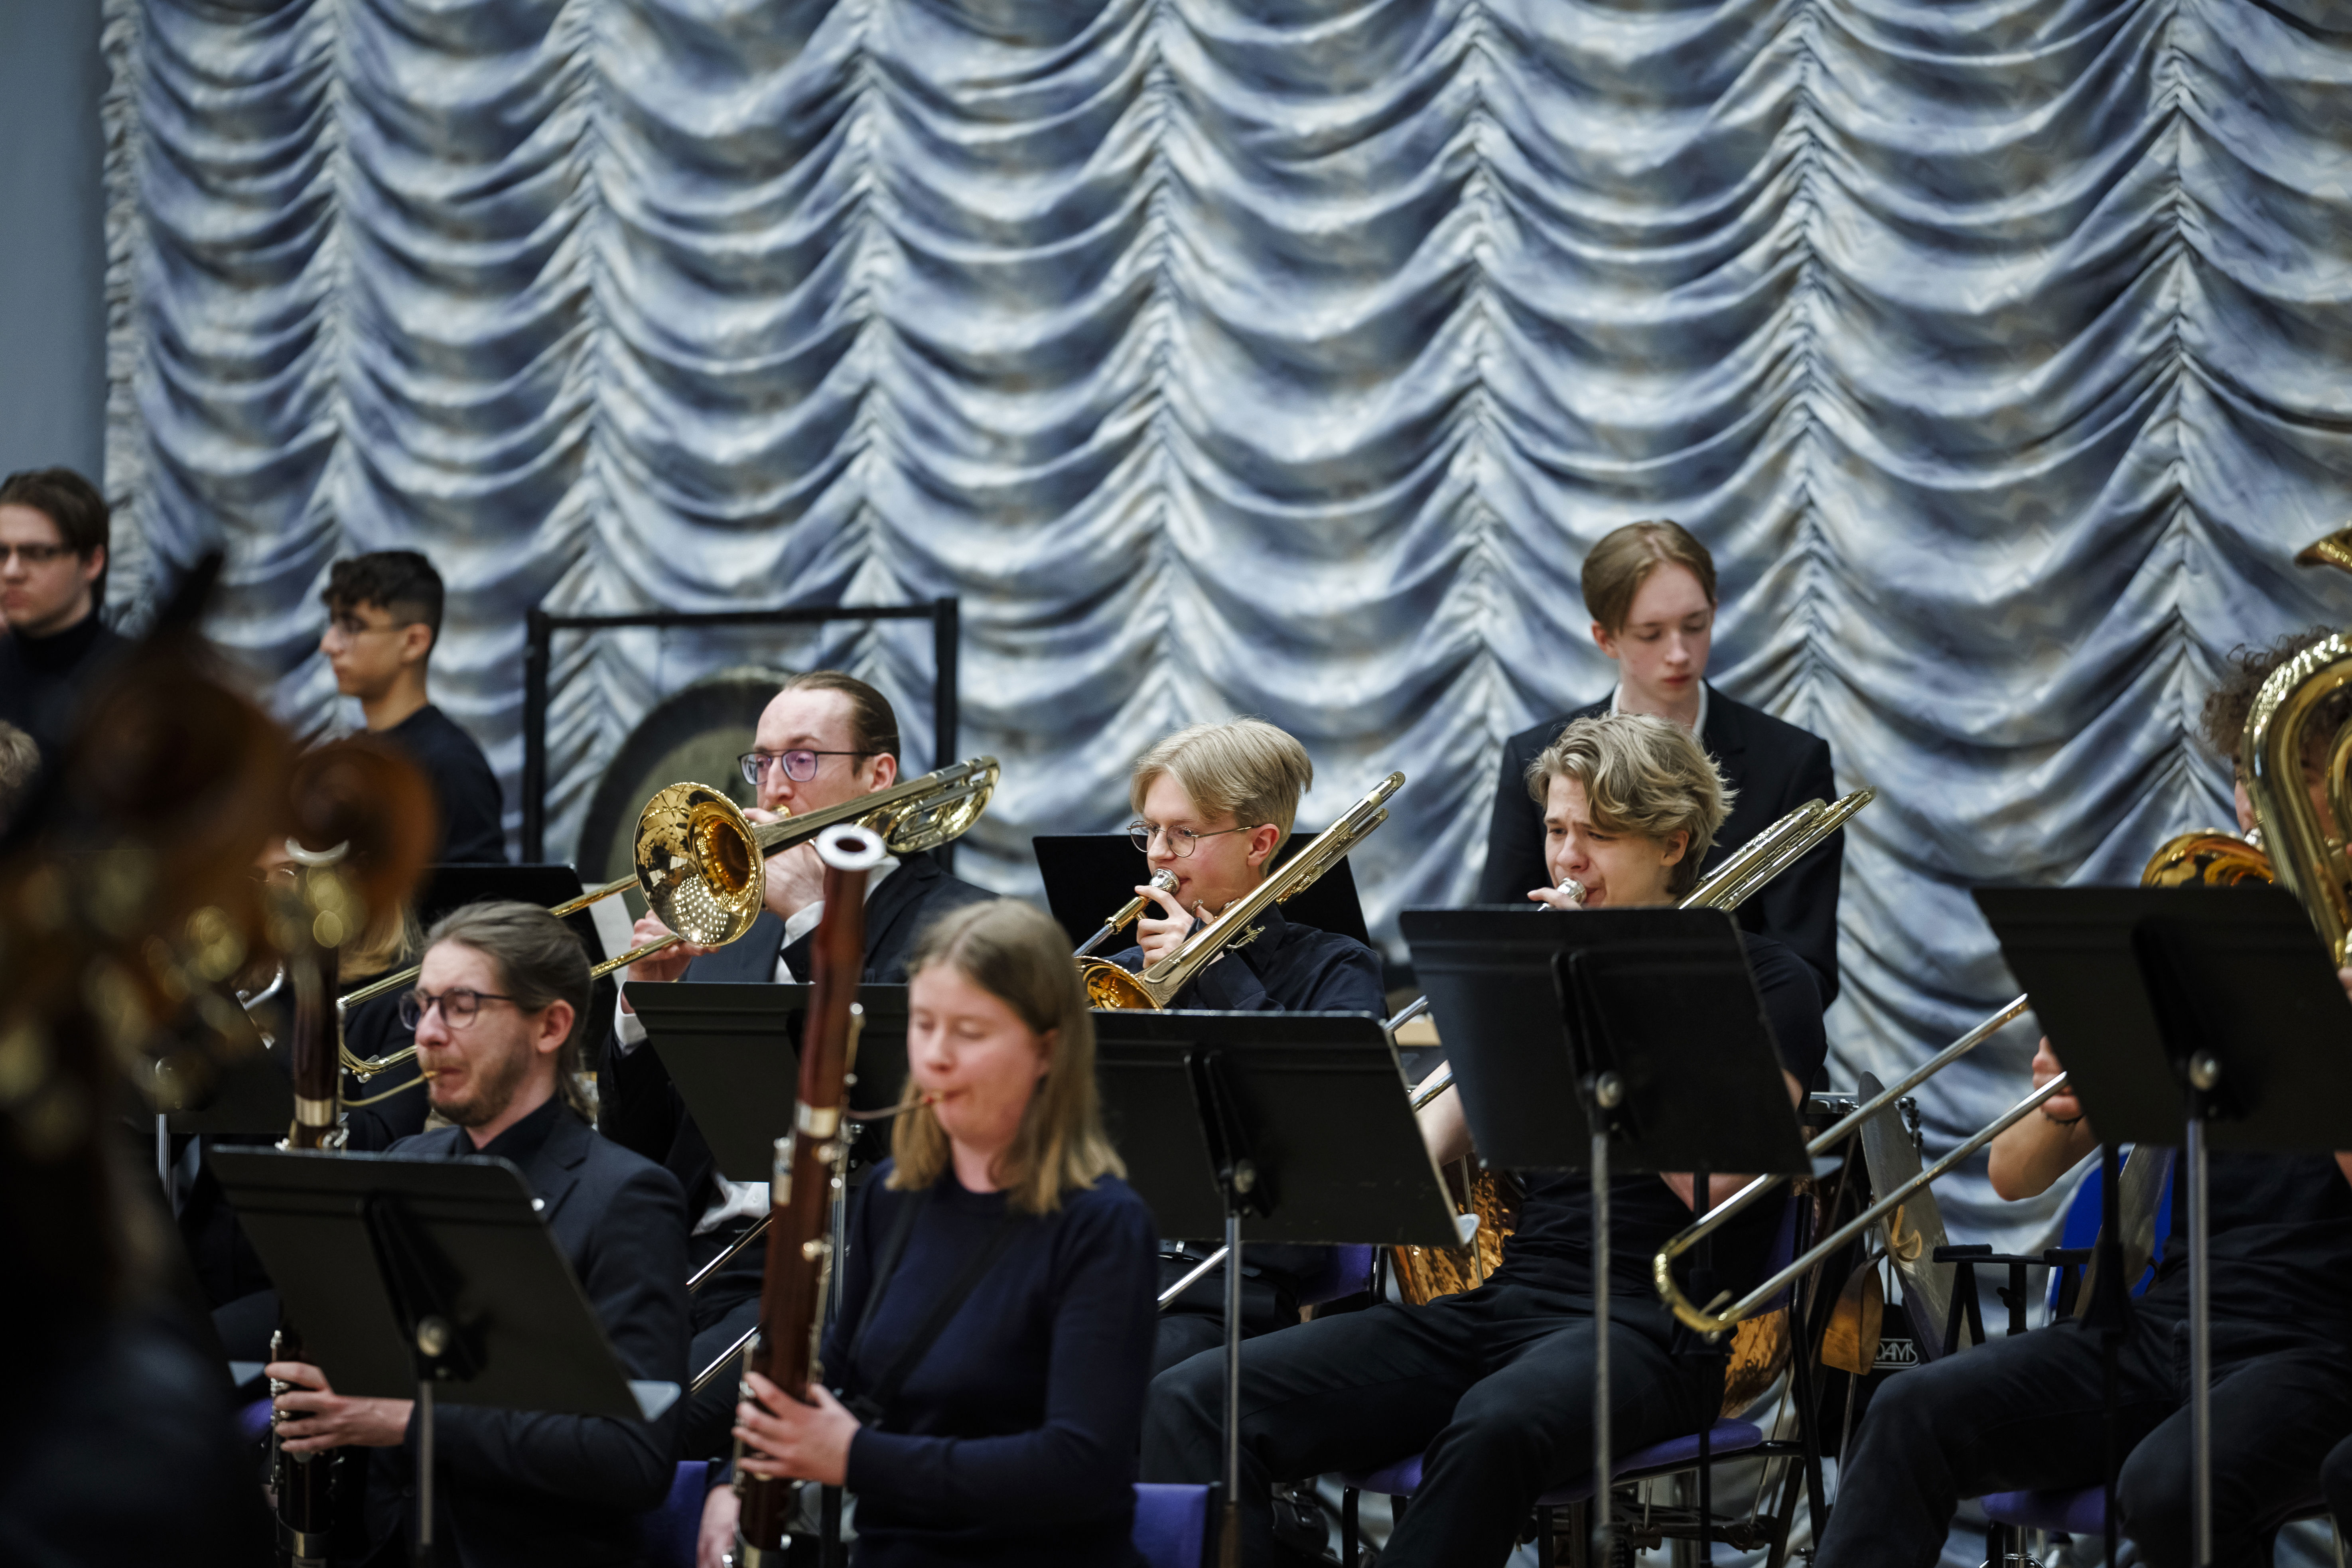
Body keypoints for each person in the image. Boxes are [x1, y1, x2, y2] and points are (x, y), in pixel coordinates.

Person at [1143, 713, 1828, 1568]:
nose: (1566, 859)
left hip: (1659, 1327)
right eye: (1554, 830)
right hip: (1513, 1301)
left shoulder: (1767, 979)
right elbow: (1410, 1153)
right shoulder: (1535, 962)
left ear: (1671, 842)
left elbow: (1721, 1187)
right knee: (1195, 1399)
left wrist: (1609, 1008)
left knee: (1493, 1424)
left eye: (1597, 834)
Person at [1817, 629, 2352, 1568]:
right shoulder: (2200, 946)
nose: (2263, 814)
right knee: (1909, 1408)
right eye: (2251, 786)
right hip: (2160, 1332)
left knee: (2170, 1485)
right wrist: (2072, 1089)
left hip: (2314, 1344)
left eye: (2296, 783)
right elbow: (2013, 1172)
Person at [601, 670, 995, 1457]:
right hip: (691, 1263)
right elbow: (641, 1151)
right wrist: (643, 1006)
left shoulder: (960, 931)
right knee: (514, 1407)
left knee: (630, 1438)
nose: (774, 789)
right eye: (762, 763)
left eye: (803, 760)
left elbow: (909, 1136)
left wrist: (819, 919)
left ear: (876, 777)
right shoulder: (734, 921)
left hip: (840, 1276)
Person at [696, 899, 1157, 1568]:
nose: (935, 1057)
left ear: (1047, 1050)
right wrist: (734, 1482)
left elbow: (1078, 1468)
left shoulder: (1103, 1224)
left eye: (969, 1032)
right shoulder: (892, 1194)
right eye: (923, 1025)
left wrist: (854, 1456)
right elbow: (838, 1375)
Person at [266, 902, 689, 1566]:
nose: (428, 1035)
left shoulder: (627, 1198)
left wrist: (405, 1421)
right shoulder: (404, 1165)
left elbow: (632, 1458)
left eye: (461, 1006)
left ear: (550, 1026)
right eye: (423, 1006)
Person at [1098, 718, 1387, 1376]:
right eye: (1149, 831)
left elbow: (1327, 1123)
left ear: (1259, 842)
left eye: (1184, 834)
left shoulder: (1337, 969)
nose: (1158, 854)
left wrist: (1208, 973)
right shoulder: (1120, 970)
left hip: (1231, 1290)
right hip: (1104, 1264)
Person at [1476, 520, 1843, 1001]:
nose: (1679, 654)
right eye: (1650, 634)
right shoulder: (1532, 756)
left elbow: (1806, 968)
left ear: (1713, 612)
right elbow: (1493, 948)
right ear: (1605, 639)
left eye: (1695, 626)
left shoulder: (1791, 761)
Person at [319, 551, 505, 863]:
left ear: (414, 642)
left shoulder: (452, 765)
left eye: (351, 627)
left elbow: (478, 907)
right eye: (333, 624)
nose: (329, 644)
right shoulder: (358, 753)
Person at [0, 467, 127, 764]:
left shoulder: (137, 679)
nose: (11, 571)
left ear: (92, 563)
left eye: (37, 553)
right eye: (1, 552)